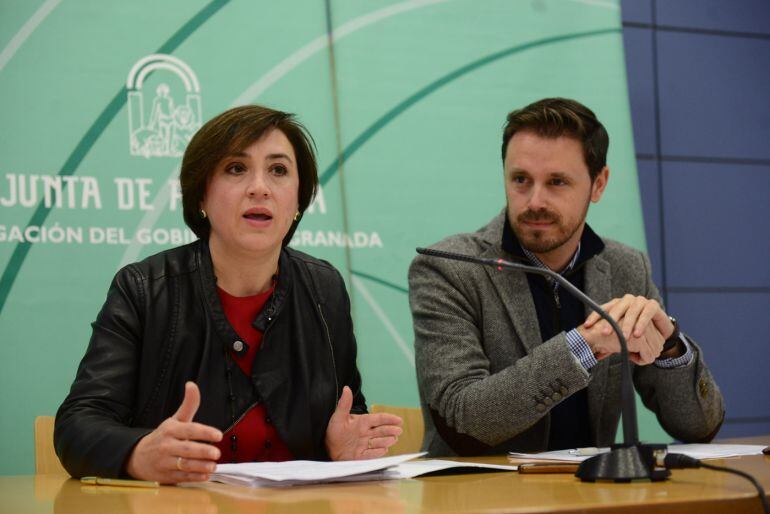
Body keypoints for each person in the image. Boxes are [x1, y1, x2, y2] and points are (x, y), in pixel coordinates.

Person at [55, 105, 402, 483]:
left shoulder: (324, 289)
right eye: (236, 168)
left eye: (279, 170)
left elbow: (348, 411)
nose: (260, 187)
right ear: (201, 196)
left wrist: (342, 447)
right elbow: (78, 425)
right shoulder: (144, 288)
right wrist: (140, 454)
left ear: (299, 201)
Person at [409, 98, 724, 456]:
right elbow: (463, 421)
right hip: (486, 500)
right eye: (520, 180)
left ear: (599, 184)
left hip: (593, 496)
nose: (534, 201)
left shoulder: (626, 267)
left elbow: (699, 426)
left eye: (557, 182)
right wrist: (587, 345)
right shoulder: (452, 268)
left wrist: (670, 348)